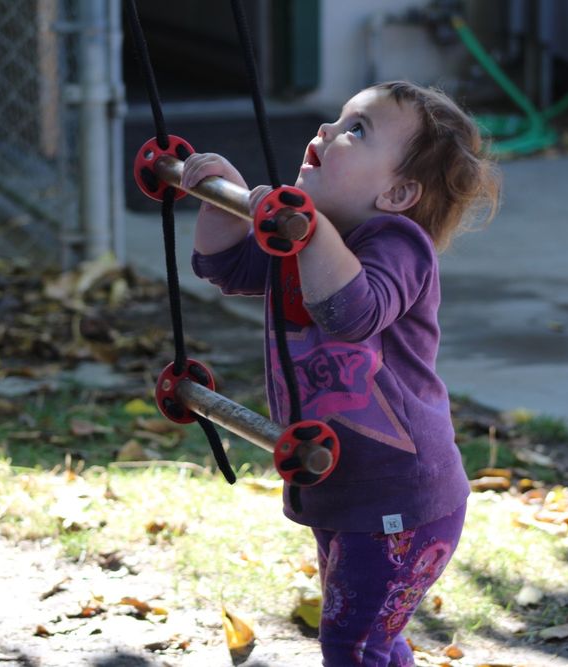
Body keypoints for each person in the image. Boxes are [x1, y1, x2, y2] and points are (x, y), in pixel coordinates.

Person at [181, 80, 500, 666]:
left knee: (353, 645)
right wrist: (220, 199)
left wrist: (311, 231)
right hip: (341, 485)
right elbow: (224, 266)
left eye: (357, 131)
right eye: (337, 119)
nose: (327, 132)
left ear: (400, 192)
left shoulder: (400, 244)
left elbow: (353, 312)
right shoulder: (304, 239)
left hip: (404, 495)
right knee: (371, 639)